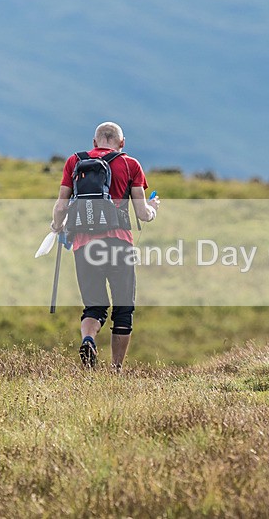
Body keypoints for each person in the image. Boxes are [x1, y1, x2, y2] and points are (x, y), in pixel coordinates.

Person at [51, 121, 160, 371]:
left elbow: (60, 207)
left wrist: (57, 227)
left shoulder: (74, 162)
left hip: (84, 245)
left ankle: (88, 339)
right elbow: (142, 213)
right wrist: (153, 209)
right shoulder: (130, 164)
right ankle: (116, 369)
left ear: (93, 142)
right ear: (122, 143)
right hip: (120, 244)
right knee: (123, 308)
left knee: (95, 306)